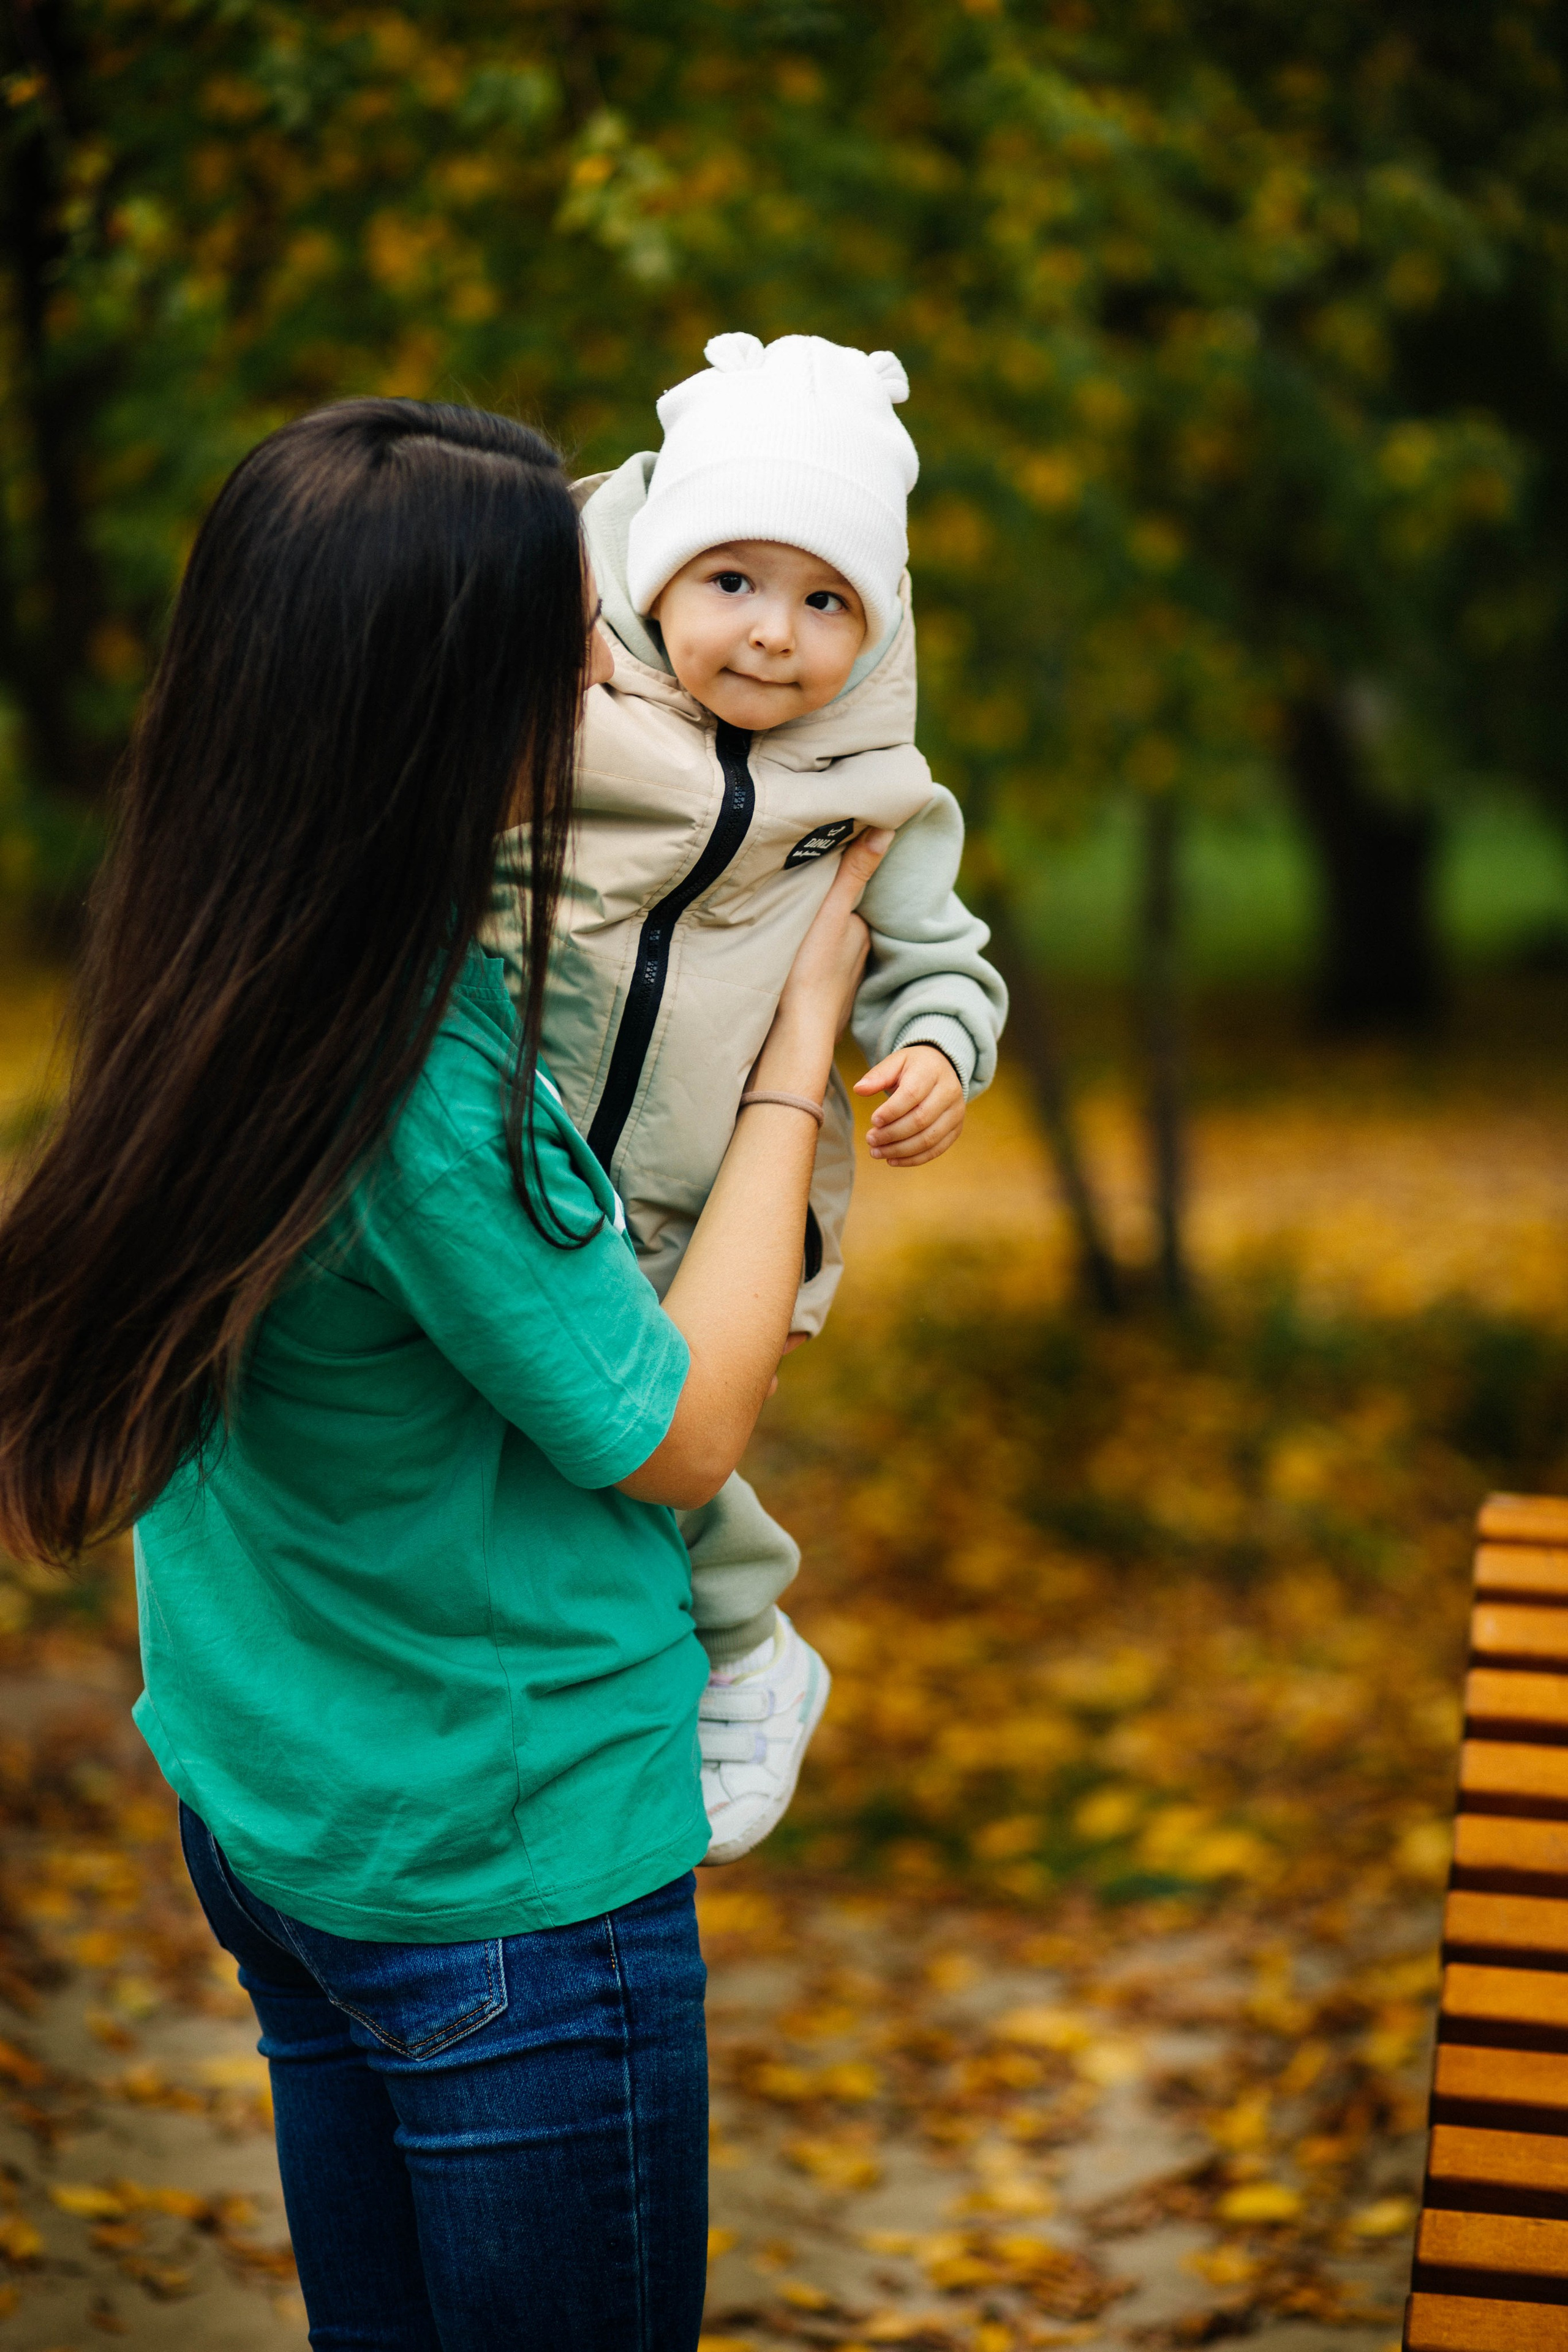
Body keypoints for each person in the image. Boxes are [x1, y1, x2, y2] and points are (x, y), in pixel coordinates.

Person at [0, 396, 891, 2351]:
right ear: (439, 699)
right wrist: (796, 1046)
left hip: (280, 1814)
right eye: (561, 633)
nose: (607, 656)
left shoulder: (199, 947)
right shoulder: (419, 1063)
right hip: (496, 1876)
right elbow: (675, 1433)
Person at [488, 330, 1008, 1863]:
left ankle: (746, 1649)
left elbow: (941, 962)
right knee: (530, 1425)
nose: (775, 635)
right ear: (650, 568)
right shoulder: (560, 712)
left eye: (825, 599)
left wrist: (933, 1052)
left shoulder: (875, 795)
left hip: (722, 1193)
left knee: (660, 1441)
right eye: (732, 582)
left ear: (880, 619)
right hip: (518, 1150)